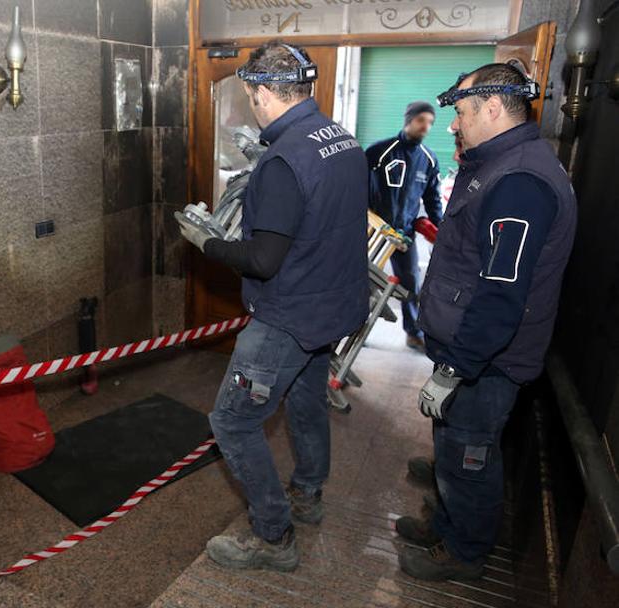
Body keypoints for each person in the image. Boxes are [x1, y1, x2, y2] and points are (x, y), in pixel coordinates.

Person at [176, 41, 368, 572]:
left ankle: (273, 534)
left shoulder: (284, 160)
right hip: (333, 307)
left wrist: (207, 242)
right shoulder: (342, 138)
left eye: (251, 96)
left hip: (289, 315)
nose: (252, 105)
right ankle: (307, 492)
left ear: (262, 92)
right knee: (306, 404)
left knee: (233, 423)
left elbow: (262, 259)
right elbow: (323, 222)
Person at [395, 63, 577, 581]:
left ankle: (465, 552)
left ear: (494, 109)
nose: (454, 123)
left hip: (485, 363)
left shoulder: (520, 182)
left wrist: (453, 370)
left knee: (468, 458)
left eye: (463, 112)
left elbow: (501, 297)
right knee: (452, 451)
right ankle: (448, 526)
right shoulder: (501, 164)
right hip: (470, 353)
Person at [366, 101, 444, 351]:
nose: (426, 127)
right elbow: (358, 187)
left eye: (430, 122)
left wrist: (440, 230)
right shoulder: (379, 151)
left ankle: (414, 333)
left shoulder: (429, 161)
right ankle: (353, 329)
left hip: (404, 235)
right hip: (372, 231)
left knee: (411, 283)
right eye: (422, 120)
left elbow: (432, 199)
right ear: (409, 119)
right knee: (362, 282)